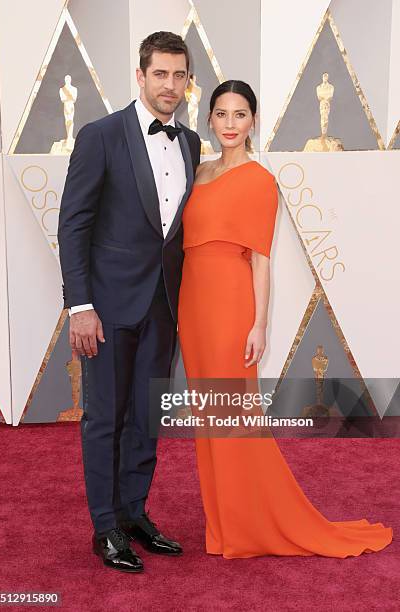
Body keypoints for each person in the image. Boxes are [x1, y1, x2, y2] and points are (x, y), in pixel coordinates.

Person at [177, 80, 393, 559]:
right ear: (209, 119)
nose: (230, 124)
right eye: (221, 114)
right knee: (209, 415)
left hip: (231, 306)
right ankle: (224, 523)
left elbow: (260, 260)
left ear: (253, 120)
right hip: (192, 305)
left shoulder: (259, 180)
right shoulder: (198, 172)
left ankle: (247, 525)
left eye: (239, 115)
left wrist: (259, 325)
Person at [58, 31, 200, 573]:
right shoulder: (101, 135)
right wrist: (80, 306)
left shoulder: (190, 143)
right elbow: (74, 225)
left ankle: (135, 513)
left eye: (179, 75)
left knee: (145, 418)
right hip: (108, 307)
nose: (170, 85)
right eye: (160, 74)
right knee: (104, 420)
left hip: (164, 305)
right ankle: (105, 527)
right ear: (139, 77)